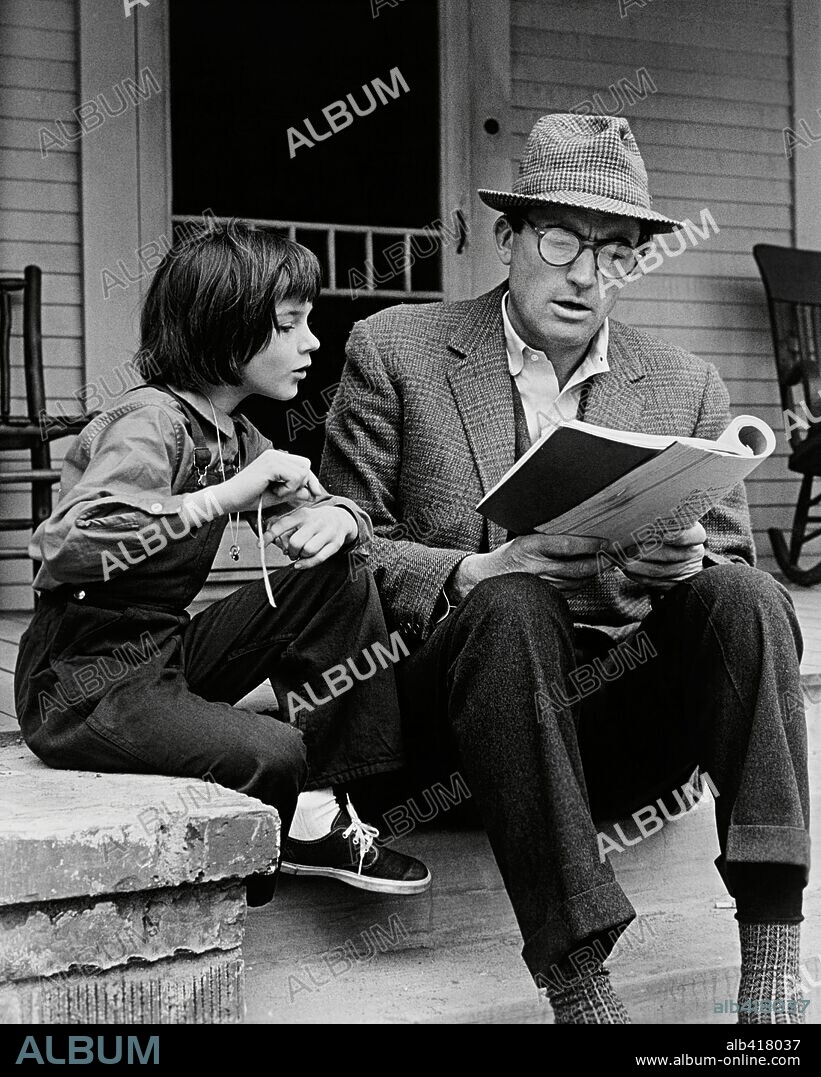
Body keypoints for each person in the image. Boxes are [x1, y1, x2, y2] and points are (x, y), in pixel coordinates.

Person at [320, 114, 810, 1023]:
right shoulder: (395, 352)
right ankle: (581, 990)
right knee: (509, 601)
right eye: (560, 239)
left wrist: (684, 561)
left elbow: (739, 587)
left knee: (744, 596)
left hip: (608, 734)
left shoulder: (685, 384)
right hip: (449, 737)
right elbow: (343, 565)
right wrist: (474, 571)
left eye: (616, 251)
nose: (586, 274)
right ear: (507, 240)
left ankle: (773, 969)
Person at [14, 220, 430, 904]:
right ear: (224, 328)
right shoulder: (149, 422)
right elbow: (65, 542)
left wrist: (334, 517)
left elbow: (328, 510)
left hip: (163, 651)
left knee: (341, 574)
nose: (312, 343)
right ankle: (257, 874)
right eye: (290, 325)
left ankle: (320, 811)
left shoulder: (232, 432)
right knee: (273, 751)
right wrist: (219, 498)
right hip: (82, 680)